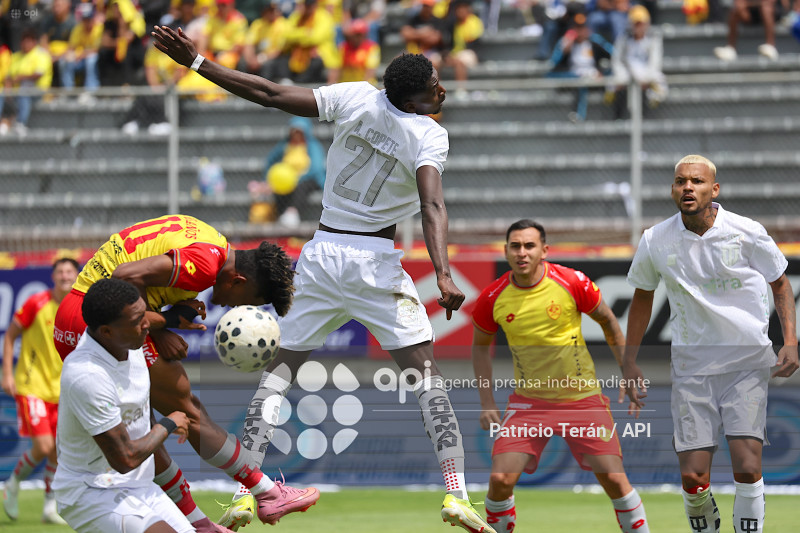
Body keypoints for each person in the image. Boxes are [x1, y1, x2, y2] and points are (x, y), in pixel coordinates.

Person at [152, 25, 496, 533]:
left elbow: (270, 94)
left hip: (322, 255)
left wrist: (198, 63)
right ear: (412, 100)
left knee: (277, 376)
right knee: (427, 379)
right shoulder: (430, 134)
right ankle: (456, 494)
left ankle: (247, 492)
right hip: (375, 263)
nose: (441, 91)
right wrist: (442, 274)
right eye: (433, 88)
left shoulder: (356, 96)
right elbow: (432, 204)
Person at [53, 215, 311, 532]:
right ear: (238, 281)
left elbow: (136, 268)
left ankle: (198, 521)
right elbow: (124, 275)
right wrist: (160, 327)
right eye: (245, 302)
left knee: (144, 424)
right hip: (95, 317)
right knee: (187, 409)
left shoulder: (212, 239)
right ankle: (267, 492)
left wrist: (163, 320)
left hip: (80, 313)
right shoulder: (205, 264)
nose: (235, 308)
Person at [623, 154, 798, 533]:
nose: (688, 187)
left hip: (747, 363)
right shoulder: (655, 239)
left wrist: (790, 341)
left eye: (697, 181)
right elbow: (642, 297)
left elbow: (780, 283)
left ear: (714, 189)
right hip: (692, 368)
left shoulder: (747, 231)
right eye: (681, 181)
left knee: (747, 466)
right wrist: (629, 360)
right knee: (693, 476)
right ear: (673, 189)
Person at [472, 219, 649, 533]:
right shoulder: (492, 297)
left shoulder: (571, 281)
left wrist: (628, 369)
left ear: (544, 251)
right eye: (515, 246)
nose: (522, 252)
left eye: (529, 246)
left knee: (614, 479)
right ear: (506, 251)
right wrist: (487, 402)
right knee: (500, 480)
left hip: (582, 401)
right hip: (529, 405)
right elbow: (479, 349)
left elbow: (609, 321)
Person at [52, 278, 194, 533]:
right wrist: (169, 423)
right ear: (107, 331)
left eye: (144, 313)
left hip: (140, 486)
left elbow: (140, 414)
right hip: (91, 491)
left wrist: (176, 318)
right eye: (137, 320)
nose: (147, 324)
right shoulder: (87, 375)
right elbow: (125, 458)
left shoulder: (129, 341)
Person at [1, 257, 79, 524]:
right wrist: (7, 373)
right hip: (32, 385)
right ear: (53, 276)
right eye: (60, 271)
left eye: (69, 271)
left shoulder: (79, 308)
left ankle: (49, 507)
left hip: (63, 390)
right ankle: (13, 483)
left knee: (57, 450)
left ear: (76, 276)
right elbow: (10, 335)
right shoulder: (36, 303)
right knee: (44, 445)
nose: (65, 276)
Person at [548, 12, 613, 121]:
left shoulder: (595, 40)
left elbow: (614, 54)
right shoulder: (566, 42)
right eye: (577, 28)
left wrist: (601, 70)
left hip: (593, 76)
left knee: (612, 75)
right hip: (573, 77)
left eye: (582, 27)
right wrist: (564, 50)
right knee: (579, 80)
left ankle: (610, 116)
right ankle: (577, 115)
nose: (580, 31)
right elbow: (552, 64)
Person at [608, 4, 667, 118]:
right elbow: (617, 60)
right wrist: (623, 76)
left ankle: (645, 116)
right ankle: (619, 117)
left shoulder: (653, 39)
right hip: (627, 74)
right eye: (636, 23)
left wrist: (645, 79)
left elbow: (655, 63)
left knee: (657, 82)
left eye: (641, 23)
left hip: (646, 76)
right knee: (617, 82)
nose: (639, 27)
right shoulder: (624, 39)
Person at [0, 26, 52, 135]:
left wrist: (20, 77)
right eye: (23, 41)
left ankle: (20, 123)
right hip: (16, 91)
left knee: (24, 90)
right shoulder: (15, 56)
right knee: (2, 94)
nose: (25, 44)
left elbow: (38, 74)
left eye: (28, 41)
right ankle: (4, 122)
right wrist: (8, 88)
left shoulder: (41, 55)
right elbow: (8, 76)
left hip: (37, 90)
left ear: (34, 42)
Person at [713, 0, 780, 61]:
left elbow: (769, 2)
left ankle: (770, 46)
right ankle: (730, 48)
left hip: (770, 12)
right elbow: (738, 2)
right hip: (751, 14)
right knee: (735, 10)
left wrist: (748, 4)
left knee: (766, 9)